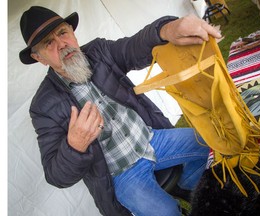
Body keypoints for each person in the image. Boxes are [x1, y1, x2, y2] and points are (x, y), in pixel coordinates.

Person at [19, 6, 221, 216]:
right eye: (48, 43)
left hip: (151, 140)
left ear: (71, 31)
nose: (62, 45)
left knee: (210, 141)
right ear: (39, 58)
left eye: (62, 33)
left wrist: (166, 29)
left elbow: (132, 47)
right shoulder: (43, 106)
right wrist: (75, 145)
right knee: (167, 212)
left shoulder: (98, 51)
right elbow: (56, 176)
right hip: (121, 173)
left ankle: (190, 187)